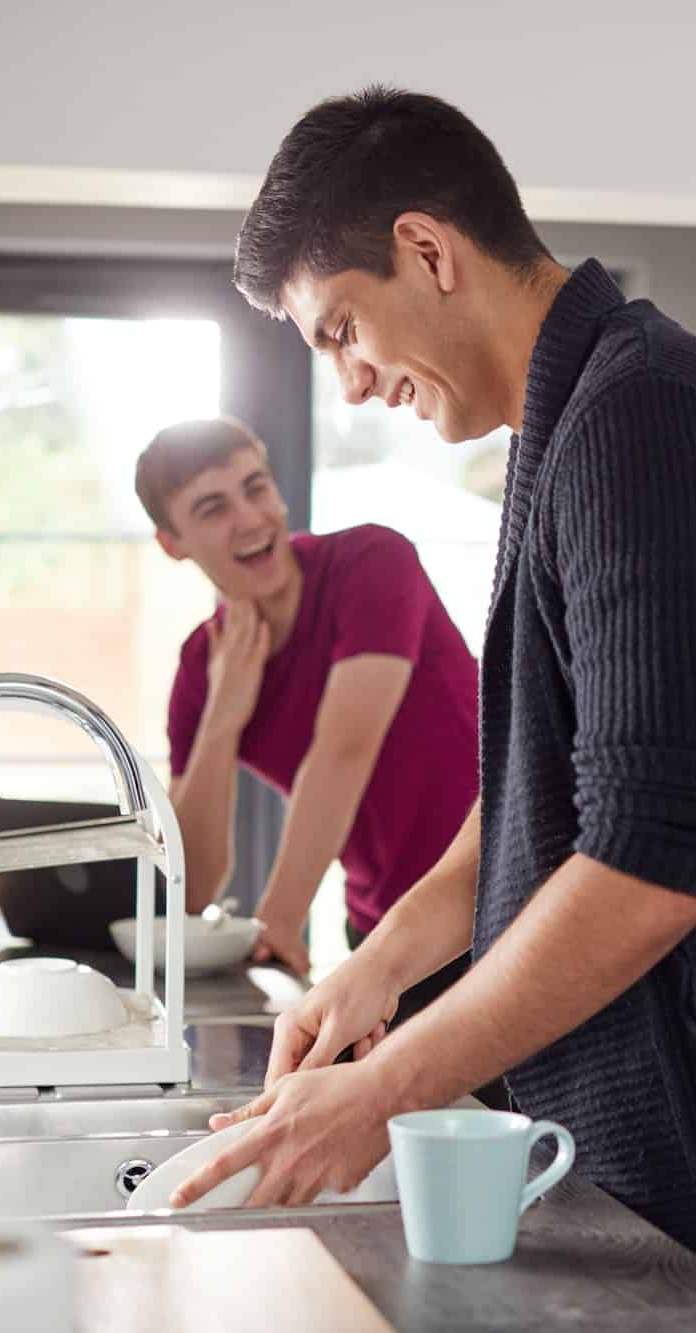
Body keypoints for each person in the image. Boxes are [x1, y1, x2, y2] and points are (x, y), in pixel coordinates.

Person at [169, 87, 696, 1328]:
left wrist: (380, 1093)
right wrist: (379, 968)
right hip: (660, 1158)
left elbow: (652, 861)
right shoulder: (572, 421)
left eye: (342, 329)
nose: (351, 384)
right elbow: (553, 789)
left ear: (427, 249)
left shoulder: (646, 422)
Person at [139, 418, 483, 1040]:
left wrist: (278, 921)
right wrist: (223, 717)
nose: (250, 518)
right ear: (173, 542)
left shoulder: (372, 562)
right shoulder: (202, 666)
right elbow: (194, 882)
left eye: (257, 487)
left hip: (494, 902)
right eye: (213, 508)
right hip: (380, 931)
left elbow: (344, 751)